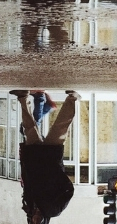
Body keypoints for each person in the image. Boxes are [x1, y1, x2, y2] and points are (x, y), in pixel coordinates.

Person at [11, 89, 78, 223]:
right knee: (60, 127)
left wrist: (24, 159)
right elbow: (69, 191)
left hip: (33, 159)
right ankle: (72, 99)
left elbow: (27, 182)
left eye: (33, 222)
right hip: (51, 160)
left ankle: (23, 98)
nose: (36, 220)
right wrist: (57, 173)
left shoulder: (29, 206)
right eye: (38, 222)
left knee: (29, 127)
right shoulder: (54, 210)